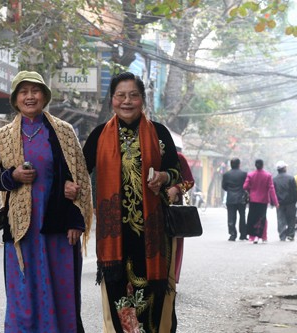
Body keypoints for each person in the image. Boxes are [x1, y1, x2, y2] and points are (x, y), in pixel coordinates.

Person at [0, 70, 93, 333]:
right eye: (23, 92)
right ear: (15, 99)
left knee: (61, 290)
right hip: (22, 231)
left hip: (58, 229)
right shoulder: (2, 137)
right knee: (23, 294)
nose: (30, 96)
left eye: (35, 91)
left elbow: (80, 179)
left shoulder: (64, 133)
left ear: (45, 96)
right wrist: (14, 175)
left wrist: (77, 221)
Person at [81, 72, 182, 333]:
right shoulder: (98, 136)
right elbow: (79, 172)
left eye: (133, 95)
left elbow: (176, 171)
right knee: (119, 297)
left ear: (142, 100)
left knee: (153, 299)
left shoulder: (159, 133)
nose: (127, 101)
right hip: (114, 236)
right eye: (121, 95)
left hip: (153, 234)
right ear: (112, 100)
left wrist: (163, 176)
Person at [167, 151, 195, 284]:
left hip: (174, 206)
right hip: (146, 205)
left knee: (174, 241)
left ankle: (171, 278)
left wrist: (176, 189)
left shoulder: (178, 157)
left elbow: (189, 181)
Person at [244, 159, 279, 244]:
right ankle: (262, 236)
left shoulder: (250, 175)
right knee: (262, 218)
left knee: (252, 217)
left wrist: (251, 190)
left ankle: (252, 237)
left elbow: (245, 186)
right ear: (263, 165)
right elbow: (271, 189)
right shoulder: (268, 175)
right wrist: (275, 202)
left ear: (255, 165)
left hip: (253, 199)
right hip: (263, 200)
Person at [221, 158, 248, 241]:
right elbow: (246, 185)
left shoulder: (226, 175)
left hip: (230, 198)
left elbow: (224, 186)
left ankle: (232, 235)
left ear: (231, 164)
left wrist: (230, 190)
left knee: (231, 217)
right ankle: (243, 234)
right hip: (241, 198)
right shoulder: (244, 174)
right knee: (242, 217)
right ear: (239, 164)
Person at [273, 161, 297, 241]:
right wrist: (295, 200)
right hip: (290, 202)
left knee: (281, 219)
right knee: (291, 219)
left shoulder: (274, 179)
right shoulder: (291, 178)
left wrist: (273, 202)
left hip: (279, 203)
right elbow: (294, 191)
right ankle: (291, 235)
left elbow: (273, 191)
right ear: (284, 169)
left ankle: (282, 236)